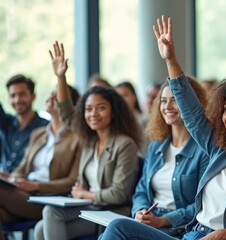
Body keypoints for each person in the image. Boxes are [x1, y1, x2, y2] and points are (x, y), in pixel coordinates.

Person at [100, 15, 226, 240]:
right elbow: (192, 114)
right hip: (192, 236)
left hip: (221, 239)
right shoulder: (219, 152)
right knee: (118, 227)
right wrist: (170, 59)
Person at [33, 42, 141, 240]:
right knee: (41, 228)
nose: (93, 114)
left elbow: (119, 194)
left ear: (113, 112)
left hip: (113, 213)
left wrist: (86, 195)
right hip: (88, 208)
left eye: (101, 108)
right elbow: (66, 112)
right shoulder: (89, 141)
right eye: (89, 109)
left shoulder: (125, 144)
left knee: (49, 215)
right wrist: (61, 77)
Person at [110, 78, 210, 237]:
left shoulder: (204, 150)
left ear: (192, 104)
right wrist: (140, 211)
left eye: (175, 100)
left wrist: (163, 220)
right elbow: (142, 189)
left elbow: (205, 203)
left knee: (117, 227)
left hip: (178, 227)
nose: (168, 107)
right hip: (151, 220)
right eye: (163, 101)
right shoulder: (156, 146)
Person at [0, 87, 81, 240]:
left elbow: (72, 181)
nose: (49, 99)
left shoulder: (77, 138)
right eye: (49, 95)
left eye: (56, 97)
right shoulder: (38, 134)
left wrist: (36, 186)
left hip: (48, 200)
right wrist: (12, 179)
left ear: (69, 105)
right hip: (21, 194)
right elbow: (21, 168)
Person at [0, 75, 49, 173]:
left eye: (22, 94)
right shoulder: (6, 123)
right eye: (13, 96)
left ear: (33, 96)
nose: (17, 100)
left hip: (28, 184)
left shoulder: (45, 126)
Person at [115, 81, 148, 154]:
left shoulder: (145, 121)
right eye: (118, 97)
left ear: (134, 96)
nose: (121, 100)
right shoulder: (113, 124)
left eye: (125, 95)